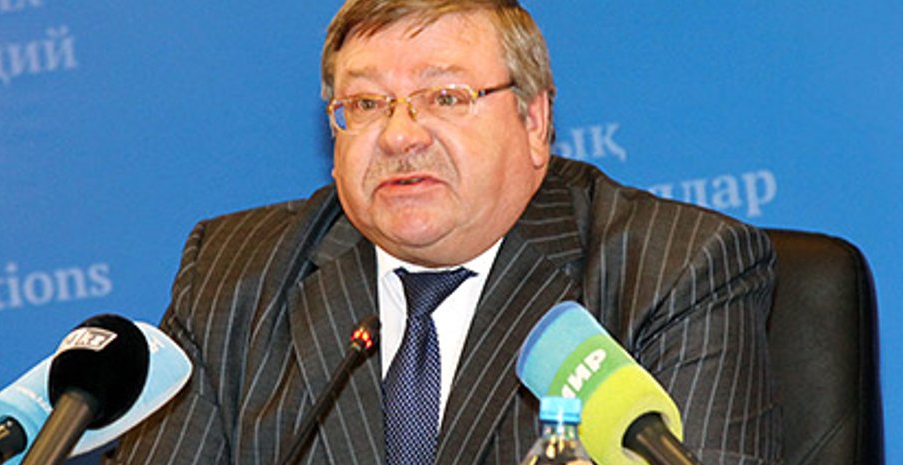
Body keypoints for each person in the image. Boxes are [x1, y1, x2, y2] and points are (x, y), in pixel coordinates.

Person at [106, 1, 781, 464]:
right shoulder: (233, 274)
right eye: (366, 104)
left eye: (446, 97)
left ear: (534, 121)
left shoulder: (675, 270)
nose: (400, 135)